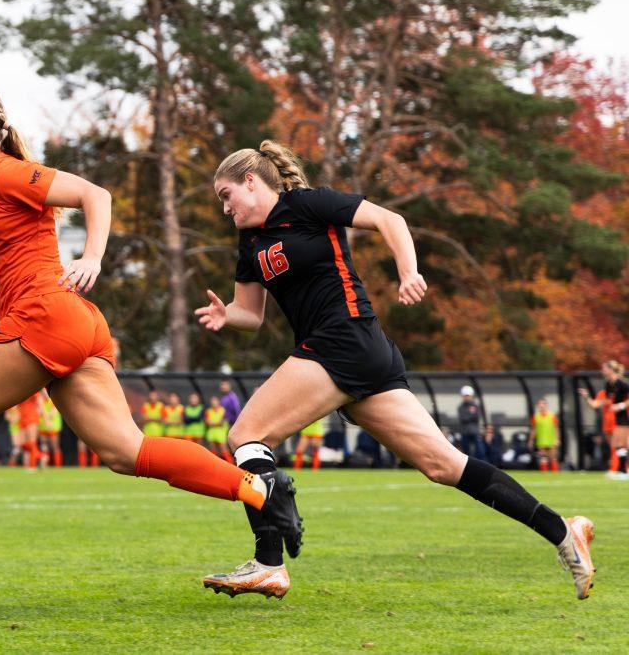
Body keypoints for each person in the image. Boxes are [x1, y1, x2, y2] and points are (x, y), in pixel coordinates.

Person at [0, 85, 301, 601]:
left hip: (45, 316)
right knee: (127, 451)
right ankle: (259, 489)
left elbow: (96, 195)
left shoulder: (7, 172)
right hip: (73, 324)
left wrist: (93, 258)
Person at [194, 140, 595, 600]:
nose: (225, 207)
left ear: (251, 180)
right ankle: (564, 531)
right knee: (443, 465)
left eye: (227, 195)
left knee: (245, 437)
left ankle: (268, 563)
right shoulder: (249, 243)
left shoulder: (307, 204)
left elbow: (391, 219)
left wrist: (408, 272)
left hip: (342, 340)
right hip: (359, 353)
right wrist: (227, 315)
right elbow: (252, 312)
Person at [578, 360, 629, 478]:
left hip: (625, 417)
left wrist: (621, 405)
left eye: (604, 368)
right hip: (618, 418)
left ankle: (623, 471)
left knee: (620, 444)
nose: (602, 371)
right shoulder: (609, 384)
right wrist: (587, 398)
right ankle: (622, 471)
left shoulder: (622, 383)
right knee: (618, 445)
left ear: (611, 369)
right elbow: (603, 402)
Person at [529, 398, 560, 473]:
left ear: (546, 405)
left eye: (543, 404)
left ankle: (555, 474)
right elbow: (534, 430)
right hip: (541, 440)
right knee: (543, 458)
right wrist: (531, 440)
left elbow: (556, 428)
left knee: (553, 458)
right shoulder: (536, 417)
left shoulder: (552, 416)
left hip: (551, 440)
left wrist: (557, 439)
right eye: (540, 404)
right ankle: (544, 475)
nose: (541, 406)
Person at [455, 385, 483, 459]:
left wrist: (468, 416)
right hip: (465, 432)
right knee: (466, 451)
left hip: (475, 432)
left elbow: (476, 417)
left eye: (468, 395)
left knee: (479, 450)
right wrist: (471, 415)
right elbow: (463, 419)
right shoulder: (461, 407)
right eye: (465, 395)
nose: (466, 397)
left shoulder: (475, 406)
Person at [204, 396, 233, 463]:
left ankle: (231, 465)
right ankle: (214, 465)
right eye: (212, 401)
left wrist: (213, 423)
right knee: (213, 452)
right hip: (211, 433)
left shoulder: (223, 410)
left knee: (224, 451)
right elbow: (207, 422)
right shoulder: (208, 411)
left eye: (215, 401)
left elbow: (221, 423)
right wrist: (216, 423)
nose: (213, 402)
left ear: (218, 402)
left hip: (221, 433)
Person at [39, 393, 63, 467]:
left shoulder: (54, 398)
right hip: (42, 426)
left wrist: (46, 418)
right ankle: (45, 465)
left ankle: (57, 466)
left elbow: (54, 411)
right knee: (44, 446)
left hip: (53, 427)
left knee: (54, 446)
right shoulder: (40, 399)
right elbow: (39, 410)